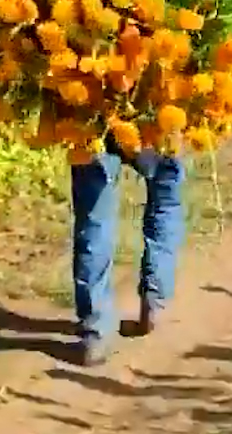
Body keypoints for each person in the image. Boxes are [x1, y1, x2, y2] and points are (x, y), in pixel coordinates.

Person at [70, 139, 187, 365]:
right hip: (157, 114)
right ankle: (153, 302)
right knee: (165, 200)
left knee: (94, 219)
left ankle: (96, 331)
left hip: (94, 114)